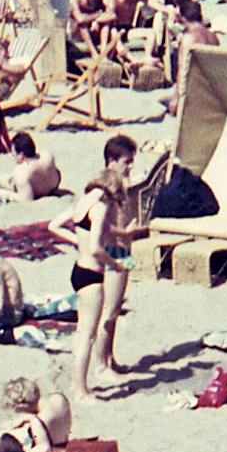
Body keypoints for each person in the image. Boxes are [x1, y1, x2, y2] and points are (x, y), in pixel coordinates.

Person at [54, 134, 144, 401]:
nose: (130, 167)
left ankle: (108, 360)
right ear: (111, 161)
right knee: (104, 316)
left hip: (107, 253)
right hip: (103, 259)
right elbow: (95, 241)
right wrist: (111, 257)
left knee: (110, 312)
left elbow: (96, 228)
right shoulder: (105, 195)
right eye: (126, 162)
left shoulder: (99, 193)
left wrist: (123, 233)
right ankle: (99, 369)